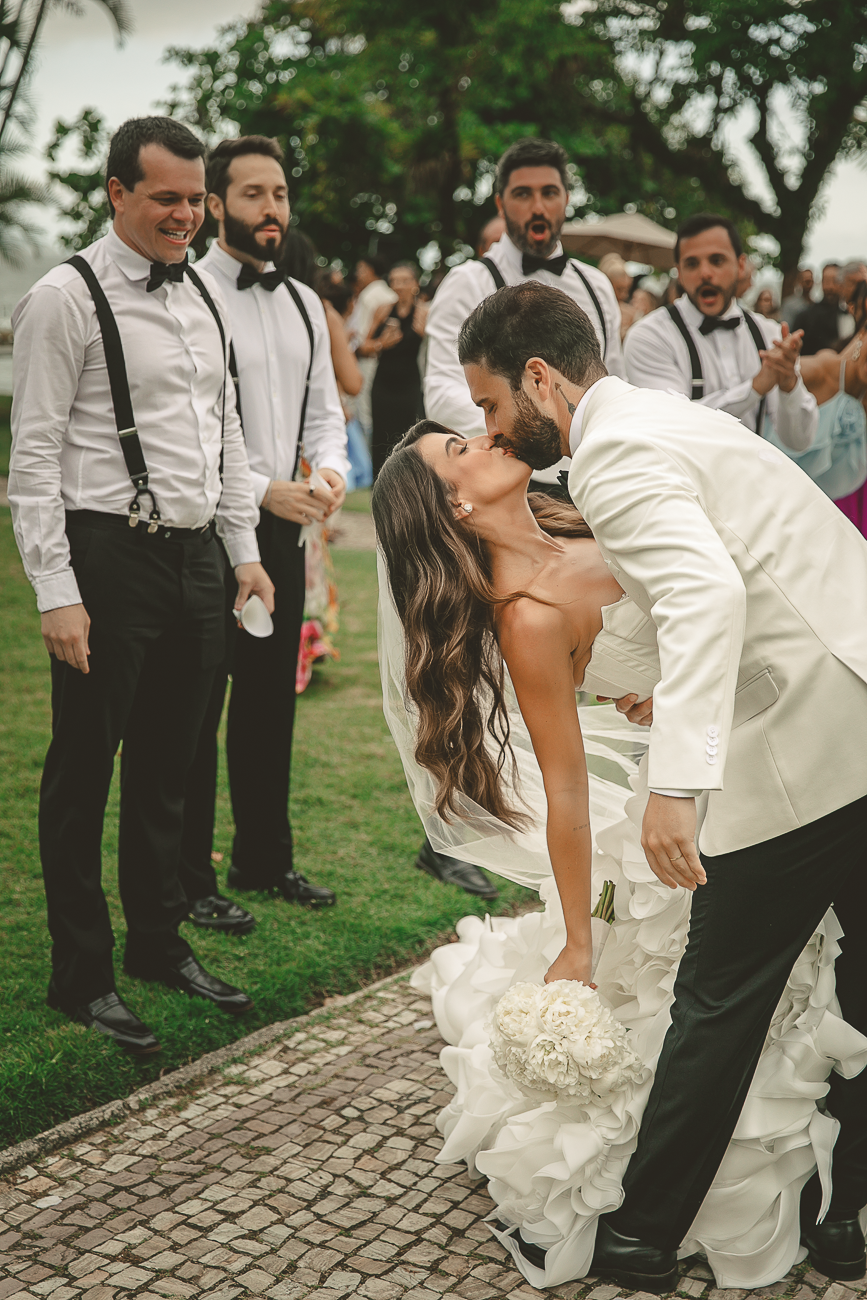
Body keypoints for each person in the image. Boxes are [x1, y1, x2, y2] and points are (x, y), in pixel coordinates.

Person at [373, 412, 867, 1290]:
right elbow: (564, 791)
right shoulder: (525, 617)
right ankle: (657, 1222)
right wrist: (575, 937)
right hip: (706, 809)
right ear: (451, 504)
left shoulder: (587, 513)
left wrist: (664, 694)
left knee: (828, 982)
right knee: (724, 1005)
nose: (487, 439)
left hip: (768, 744)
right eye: (464, 447)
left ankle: (840, 1196)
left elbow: (698, 615)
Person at [8, 116, 274, 1053]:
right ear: (117, 191)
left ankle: (160, 946)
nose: (186, 218)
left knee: (171, 768)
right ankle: (82, 978)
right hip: (106, 555)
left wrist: (243, 550)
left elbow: (225, 432)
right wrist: (55, 590)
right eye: (166, 198)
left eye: (195, 199)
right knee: (84, 772)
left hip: (198, 560)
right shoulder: (62, 299)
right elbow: (33, 460)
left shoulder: (201, 291)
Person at [176, 134, 348, 927]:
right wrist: (259, 490)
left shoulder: (306, 303)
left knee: (269, 703)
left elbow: (325, 412)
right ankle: (188, 880)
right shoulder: (187, 294)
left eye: (278, 193)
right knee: (195, 709)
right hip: (205, 532)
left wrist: (329, 475)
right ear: (215, 205)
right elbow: (187, 429)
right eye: (252, 194)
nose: (271, 208)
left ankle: (262, 860)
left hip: (282, 534)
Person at [424, 136, 624, 499]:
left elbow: (614, 380)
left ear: (566, 199)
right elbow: (440, 393)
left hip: (592, 477)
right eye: (522, 194)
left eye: (549, 193)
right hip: (509, 481)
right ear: (501, 204)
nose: (537, 207)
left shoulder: (597, 285)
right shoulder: (467, 282)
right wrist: (528, 433)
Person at [625, 213, 817, 453]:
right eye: (692, 264)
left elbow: (799, 441)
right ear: (679, 273)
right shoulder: (649, 336)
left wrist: (789, 383)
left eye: (717, 260)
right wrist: (755, 387)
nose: (705, 273)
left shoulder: (770, 334)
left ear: (740, 266)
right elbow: (673, 426)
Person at [366, 262, 427, 477]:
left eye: (404, 281)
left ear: (415, 284)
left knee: (409, 438)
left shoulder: (424, 313)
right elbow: (363, 347)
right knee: (381, 438)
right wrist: (382, 343)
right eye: (394, 281)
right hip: (383, 384)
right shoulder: (383, 310)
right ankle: (379, 489)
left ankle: (406, 489)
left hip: (409, 384)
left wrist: (424, 333)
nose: (398, 286)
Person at [347, 251, 397, 438]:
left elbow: (360, 341)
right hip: (390, 365)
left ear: (371, 270)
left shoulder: (368, 295)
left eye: (361, 269)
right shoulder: (389, 293)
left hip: (369, 362)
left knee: (366, 416)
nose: (358, 274)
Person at [795, 262, 847, 355]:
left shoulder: (847, 317)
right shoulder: (805, 317)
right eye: (826, 281)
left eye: (835, 281)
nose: (830, 287)